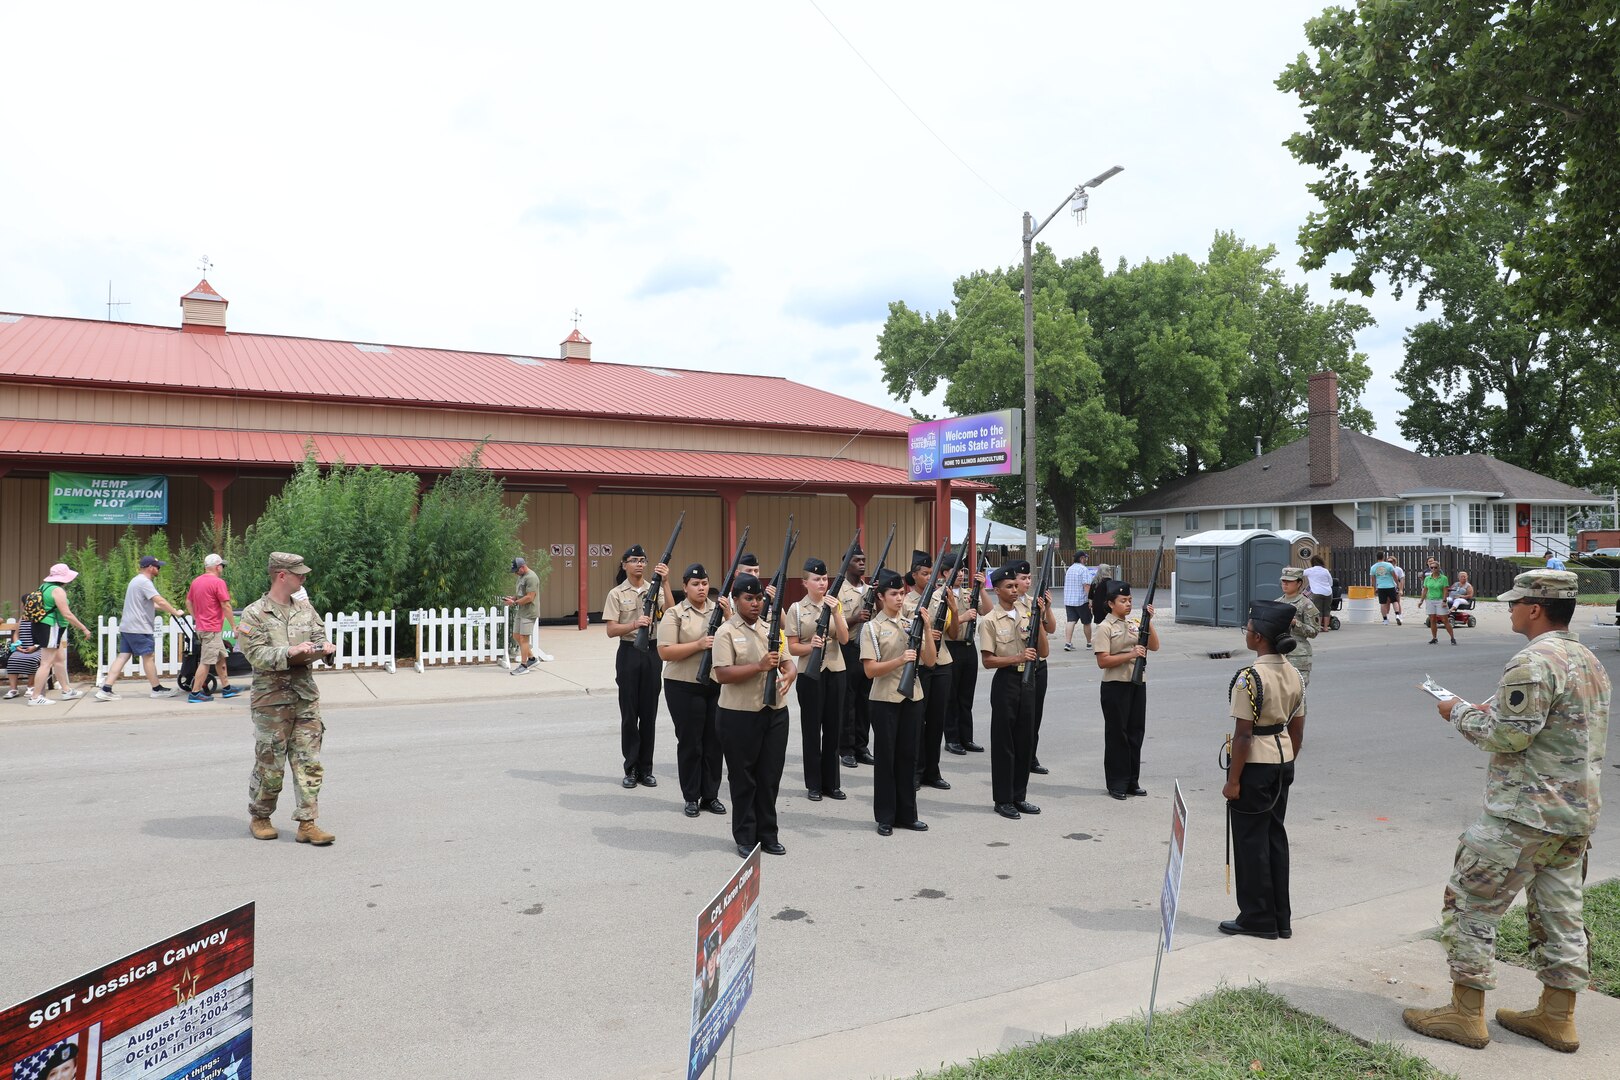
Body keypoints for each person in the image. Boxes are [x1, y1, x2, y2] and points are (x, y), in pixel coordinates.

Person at [1403, 569, 1611, 1053]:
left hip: (1522, 815)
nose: (1511, 609)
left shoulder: (1532, 661)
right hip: (1573, 817)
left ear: (1535, 609)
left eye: (1516, 603)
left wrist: (1455, 710)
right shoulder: (1587, 660)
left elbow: (1508, 736)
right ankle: (1558, 1017)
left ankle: (1465, 1014)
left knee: (1471, 904)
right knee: (1561, 914)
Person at [1220, 599, 1306, 940]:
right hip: (1282, 760)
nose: (1247, 634)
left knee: (1251, 842)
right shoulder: (1294, 673)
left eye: (1249, 629)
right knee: (1274, 838)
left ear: (1258, 638)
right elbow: (1298, 729)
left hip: (1255, 764)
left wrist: (1233, 781)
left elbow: (1243, 736)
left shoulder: (1250, 678)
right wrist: (1286, 760)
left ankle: (1256, 917)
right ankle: (1279, 918)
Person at [239, 552, 337, 845]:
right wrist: (289, 652)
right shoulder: (254, 613)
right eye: (299, 573)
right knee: (270, 763)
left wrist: (326, 649)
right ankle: (260, 816)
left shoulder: (306, 610)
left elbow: (320, 638)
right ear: (282, 575)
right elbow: (254, 654)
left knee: (309, 761)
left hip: (305, 696)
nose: (304, 578)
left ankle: (308, 823)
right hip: (271, 700)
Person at [711, 574, 794, 857]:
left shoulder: (770, 629)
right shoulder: (725, 632)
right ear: (735, 600)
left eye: (759, 598)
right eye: (749, 599)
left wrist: (790, 673)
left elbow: (786, 660)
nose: (755, 603)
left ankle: (768, 833)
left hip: (774, 712)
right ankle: (745, 836)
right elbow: (722, 673)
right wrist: (759, 666)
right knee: (744, 779)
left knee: (770, 777)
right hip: (739, 715)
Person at [862, 567, 935, 835]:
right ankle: (885, 815)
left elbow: (930, 660)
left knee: (908, 757)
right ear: (881, 597)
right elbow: (870, 670)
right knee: (886, 759)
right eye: (894, 594)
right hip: (884, 700)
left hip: (912, 697)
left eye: (902, 593)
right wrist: (899, 660)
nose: (900, 598)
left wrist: (926, 628)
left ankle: (907, 814)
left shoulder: (911, 622)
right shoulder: (872, 628)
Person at [657, 563, 728, 817]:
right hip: (683, 685)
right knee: (690, 743)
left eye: (705, 583)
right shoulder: (674, 613)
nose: (701, 588)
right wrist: (699, 644)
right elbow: (665, 651)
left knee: (714, 742)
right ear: (685, 587)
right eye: (696, 584)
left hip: (713, 683)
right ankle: (691, 796)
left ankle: (711, 795)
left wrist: (729, 615)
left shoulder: (718, 610)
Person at [603, 544, 674, 790]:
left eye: (643, 560)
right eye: (634, 560)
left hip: (652, 652)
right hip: (629, 653)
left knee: (649, 714)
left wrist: (665, 581)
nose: (639, 564)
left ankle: (647, 769)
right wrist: (634, 624)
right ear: (624, 565)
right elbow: (611, 630)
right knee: (630, 715)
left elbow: (672, 613)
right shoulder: (616, 593)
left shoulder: (654, 589)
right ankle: (631, 767)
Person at [978, 564, 1043, 820]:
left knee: (1025, 741)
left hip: (1028, 681)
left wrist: (1042, 615)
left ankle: (1020, 796)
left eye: (1016, 586)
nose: (1015, 590)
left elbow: (1043, 650)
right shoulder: (990, 620)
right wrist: (1016, 657)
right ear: (997, 590)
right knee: (1005, 743)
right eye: (1009, 587)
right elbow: (988, 661)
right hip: (1005, 681)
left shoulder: (1027, 613)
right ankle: (1003, 799)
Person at [785, 556, 849, 802]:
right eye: (816, 579)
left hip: (836, 670)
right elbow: (792, 647)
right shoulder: (796, 609)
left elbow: (844, 639)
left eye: (824, 578)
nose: (822, 583)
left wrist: (835, 610)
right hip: (809, 674)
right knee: (812, 730)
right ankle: (813, 784)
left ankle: (832, 784)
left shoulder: (835, 605)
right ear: (805, 582)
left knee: (834, 729)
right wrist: (811, 646)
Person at [1094, 580, 1159, 800]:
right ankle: (1116, 782)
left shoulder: (1134, 623)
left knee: (1135, 732)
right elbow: (1103, 661)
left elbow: (1155, 645)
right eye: (1123, 601)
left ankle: (1132, 780)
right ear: (1111, 603)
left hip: (1137, 682)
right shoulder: (1105, 627)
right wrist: (1131, 655)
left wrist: (1148, 621)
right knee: (1117, 735)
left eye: (1130, 600)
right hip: (1115, 685)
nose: (1128, 604)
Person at [901, 550, 955, 792]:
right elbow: (904, 633)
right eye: (924, 574)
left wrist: (952, 610)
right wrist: (926, 632)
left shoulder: (940, 597)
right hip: (920, 665)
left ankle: (933, 771)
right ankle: (915, 771)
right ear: (914, 575)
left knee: (936, 720)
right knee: (917, 721)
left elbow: (952, 632)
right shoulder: (905, 602)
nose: (928, 577)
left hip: (942, 662)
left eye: (930, 573)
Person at [97, 555, 182, 700]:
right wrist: (175, 612)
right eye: (157, 567)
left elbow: (148, 604)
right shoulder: (145, 582)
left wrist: (167, 609)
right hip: (139, 627)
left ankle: (106, 689)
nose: (158, 569)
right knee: (148, 657)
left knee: (123, 656)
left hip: (128, 626)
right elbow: (159, 600)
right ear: (150, 567)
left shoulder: (135, 581)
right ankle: (157, 689)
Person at [27, 562, 91, 706]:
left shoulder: (43, 587)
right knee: (46, 663)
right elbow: (67, 614)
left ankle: (67, 690)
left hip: (45, 626)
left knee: (59, 659)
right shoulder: (57, 591)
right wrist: (83, 628)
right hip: (50, 627)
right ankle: (35, 697)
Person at [838, 547, 877, 769]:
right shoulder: (838, 591)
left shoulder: (871, 589)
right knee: (848, 702)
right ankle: (846, 749)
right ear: (846, 564)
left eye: (863, 559)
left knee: (865, 701)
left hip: (868, 649)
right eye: (856, 560)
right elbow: (834, 624)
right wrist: (854, 619)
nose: (862, 563)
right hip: (849, 648)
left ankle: (862, 747)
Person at [185, 553, 240, 703]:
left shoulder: (196, 582)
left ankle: (227, 688)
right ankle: (195, 693)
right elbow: (225, 605)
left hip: (203, 627)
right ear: (217, 566)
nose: (222, 568)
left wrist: (196, 617)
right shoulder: (218, 582)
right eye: (222, 565)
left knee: (220, 657)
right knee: (206, 661)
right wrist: (234, 626)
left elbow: (188, 602)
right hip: (212, 628)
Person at [943, 555, 983, 755]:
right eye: (955, 571)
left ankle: (966, 737)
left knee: (966, 695)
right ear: (944, 573)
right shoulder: (939, 595)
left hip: (968, 647)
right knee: (951, 696)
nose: (960, 574)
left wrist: (981, 589)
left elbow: (988, 610)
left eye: (962, 571)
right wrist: (963, 617)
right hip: (951, 647)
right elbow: (939, 626)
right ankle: (952, 738)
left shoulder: (969, 593)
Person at [1276, 567, 1321, 689]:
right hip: (1278, 655)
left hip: (1298, 656)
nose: (1285, 584)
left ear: (1299, 583)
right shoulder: (1277, 603)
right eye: (1283, 581)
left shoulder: (1306, 604)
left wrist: (1296, 624)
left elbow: (1314, 631)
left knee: (1297, 695)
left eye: (1289, 581)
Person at [503, 556, 541, 673]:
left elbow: (530, 597)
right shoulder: (521, 576)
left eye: (516, 571)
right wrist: (513, 598)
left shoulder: (531, 577)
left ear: (523, 567)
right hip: (521, 610)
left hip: (529, 612)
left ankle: (523, 666)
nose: (515, 573)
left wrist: (514, 603)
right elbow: (521, 594)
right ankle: (532, 659)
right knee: (516, 636)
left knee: (524, 638)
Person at [1062, 550, 1096, 651]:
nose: (1086, 559)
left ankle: (1068, 643)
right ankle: (1089, 643)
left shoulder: (1070, 569)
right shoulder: (1083, 569)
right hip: (1081, 600)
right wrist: (1090, 600)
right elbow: (1086, 585)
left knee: (1071, 621)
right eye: (1085, 557)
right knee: (1087, 622)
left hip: (1069, 600)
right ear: (1081, 558)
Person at [4, 619, 43, 699]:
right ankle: (13, 689)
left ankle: (30, 686)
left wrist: (35, 646)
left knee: (32, 660)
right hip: (22, 649)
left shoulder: (40, 617)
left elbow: (44, 636)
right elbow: (16, 634)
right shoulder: (22, 619)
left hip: (38, 649)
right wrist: (17, 645)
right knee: (12, 660)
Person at [1423, 557, 1457, 645]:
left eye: (1435, 567)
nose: (1433, 569)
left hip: (1440, 600)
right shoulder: (1427, 578)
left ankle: (1452, 637)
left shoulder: (1443, 578)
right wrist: (1421, 600)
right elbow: (1425, 590)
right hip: (1430, 600)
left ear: (1439, 568)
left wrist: (1444, 601)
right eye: (1432, 567)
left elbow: (1446, 590)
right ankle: (1434, 638)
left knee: (1444, 619)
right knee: (1432, 619)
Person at [1369, 552, 1401, 625]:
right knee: (1394, 601)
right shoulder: (1389, 565)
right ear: (1383, 557)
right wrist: (1398, 584)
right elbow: (1394, 576)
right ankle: (1397, 615)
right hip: (1390, 586)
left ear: (1377, 557)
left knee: (1383, 603)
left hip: (1381, 587)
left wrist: (1375, 588)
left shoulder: (1373, 567)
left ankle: (1385, 620)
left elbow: (1373, 580)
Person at [1304, 556, 1334, 632]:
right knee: (1327, 610)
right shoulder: (1325, 571)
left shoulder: (1310, 570)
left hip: (1317, 593)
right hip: (1328, 592)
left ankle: (1318, 627)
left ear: (1312, 563)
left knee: (1318, 610)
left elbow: (1300, 573)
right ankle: (1326, 627)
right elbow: (1331, 583)